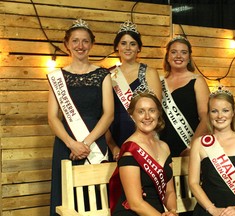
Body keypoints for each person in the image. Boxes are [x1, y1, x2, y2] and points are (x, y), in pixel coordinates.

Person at [47, 19, 114, 215]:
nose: (80, 46)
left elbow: (108, 114)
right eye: (75, 41)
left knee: (96, 199)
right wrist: (72, 144)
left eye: (85, 41)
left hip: (95, 143)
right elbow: (52, 117)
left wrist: (85, 143)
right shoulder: (57, 77)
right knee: (65, 197)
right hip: (66, 145)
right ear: (66, 45)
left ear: (92, 44)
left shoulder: (103, 74)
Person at [188, 87, 235, 216]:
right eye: (214, 111)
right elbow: (193, 183)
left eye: (225, 110)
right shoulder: (199, 144)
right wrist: (212, 209)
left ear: (233, 113)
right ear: (209, 114)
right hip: (208, 210)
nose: (220, 116)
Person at [109, 90, 178, 216]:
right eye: (141, 111)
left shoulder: (164, 147)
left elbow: (170, 191)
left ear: (158, 113)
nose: (147, 116)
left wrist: (173, 211)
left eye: (152, 110)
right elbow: (135, 203)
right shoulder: (130, 150)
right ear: (132, 115)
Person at [106, 20, 162, 161]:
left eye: (132, 43)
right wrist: (112, 146)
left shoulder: (150, 72)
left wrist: (147, 142)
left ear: (139, 48)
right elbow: (103, 114)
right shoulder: (108, 75)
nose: (128, 48)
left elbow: (156, 111)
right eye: (123, 43)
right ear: (117, 47)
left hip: (144, 139)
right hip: (116, 138)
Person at [159, 35, 210, 157]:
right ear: (167, 56)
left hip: (188, 146)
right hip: (162, 148)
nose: (178, 56)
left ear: (189, 57)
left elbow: (206, 117)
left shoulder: (197, 81)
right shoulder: (159, 81)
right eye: (174, 52)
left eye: (183, 52)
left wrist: (192, 146)